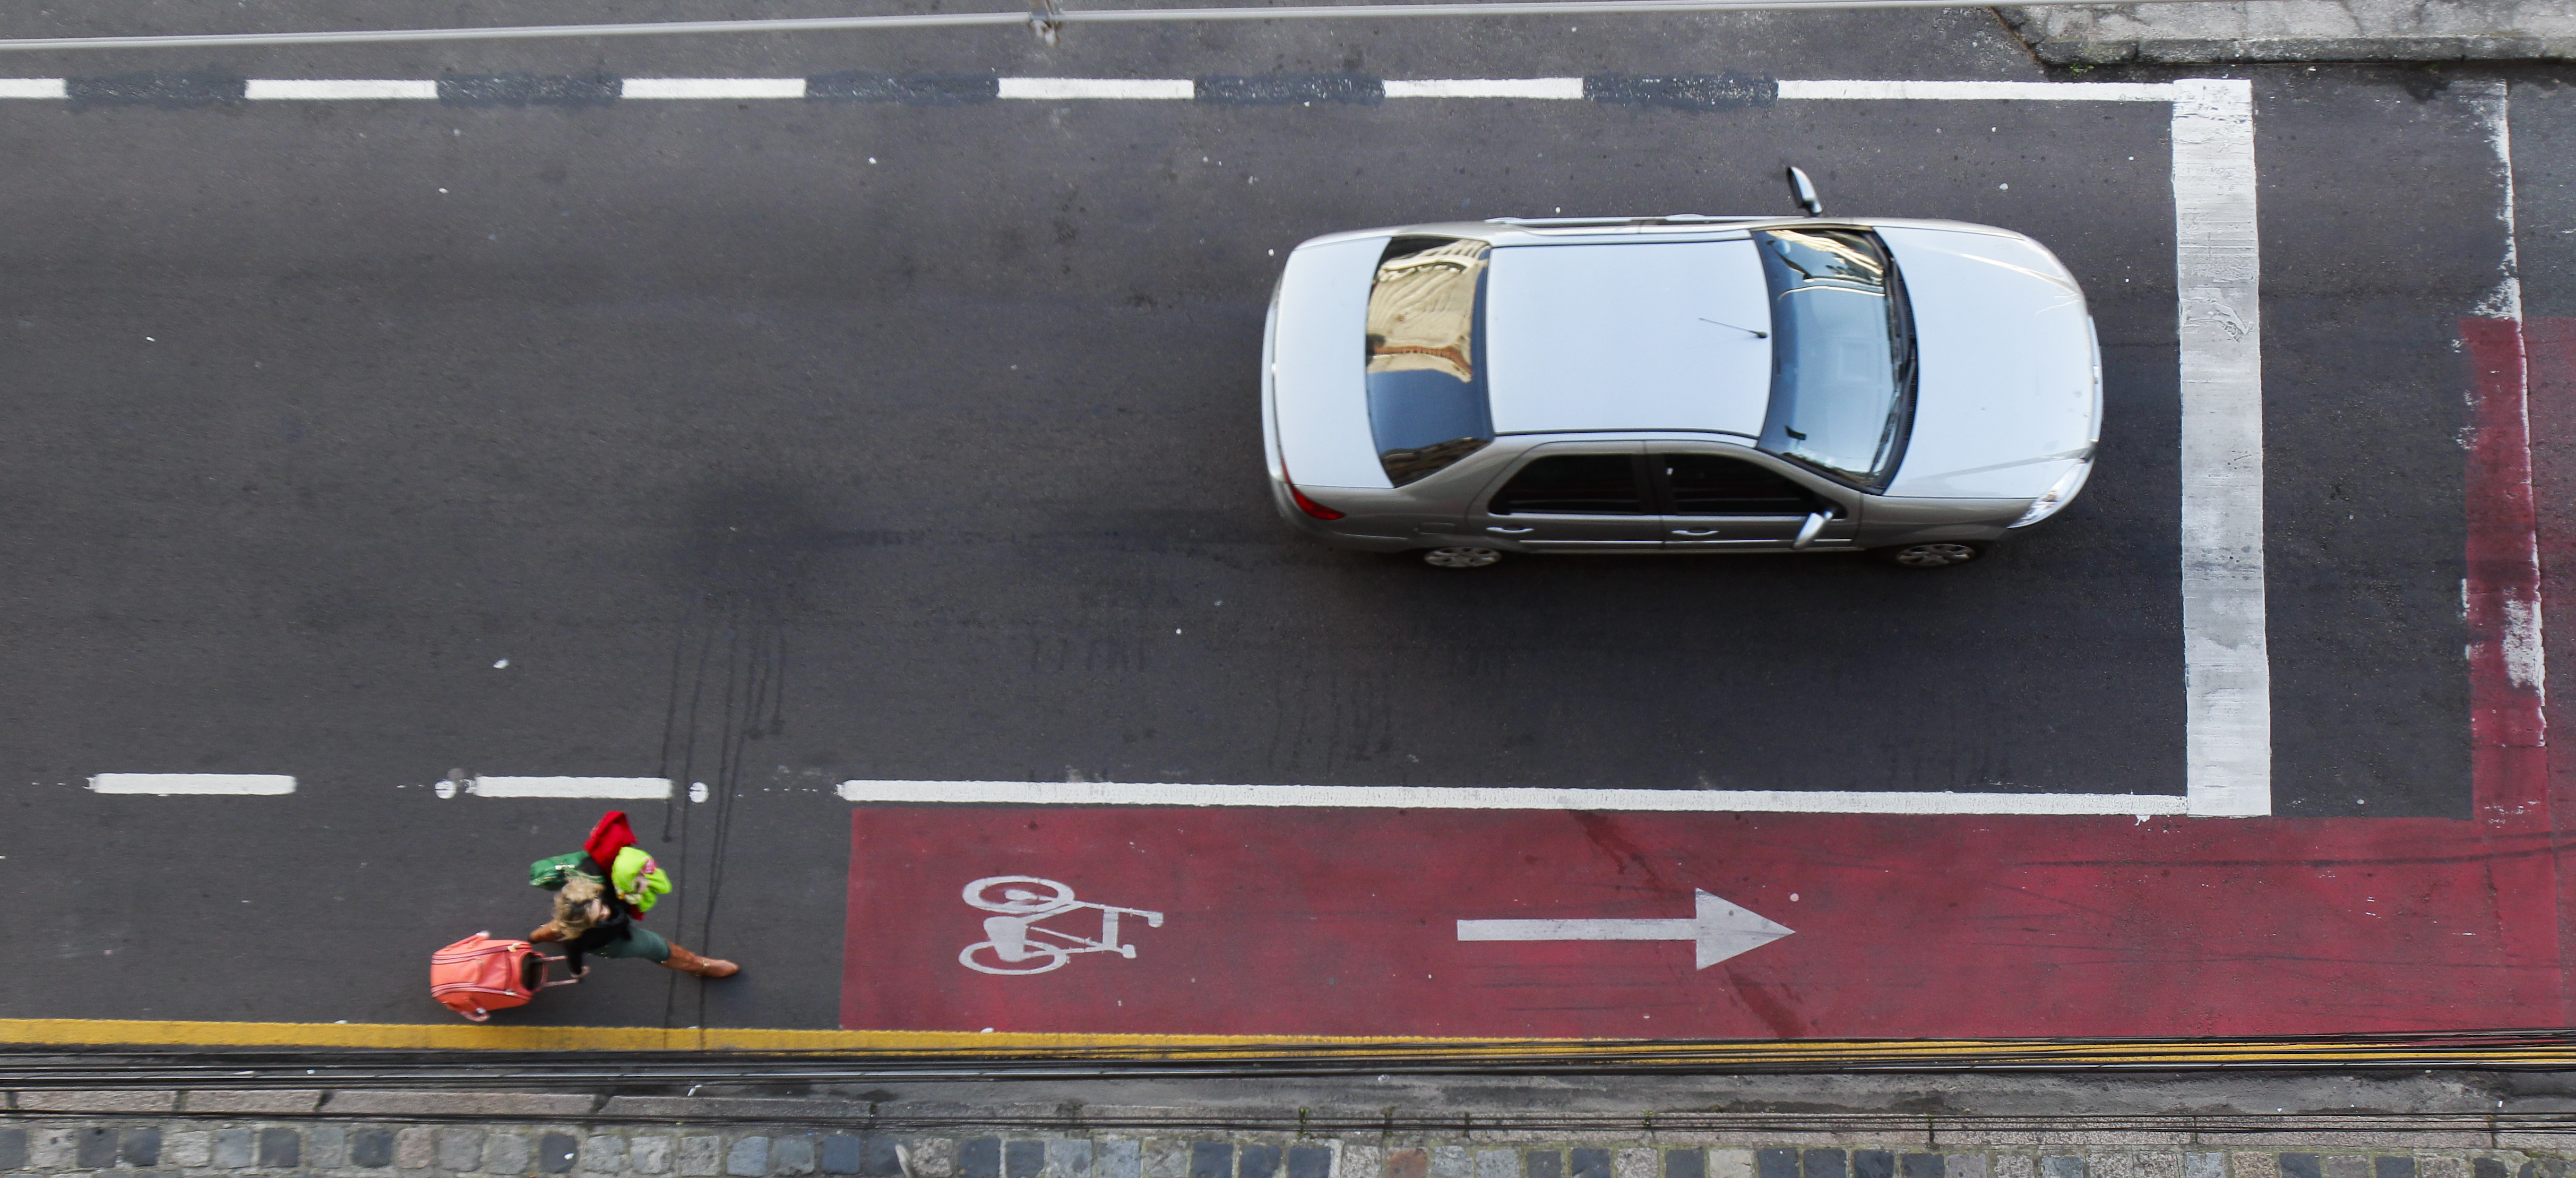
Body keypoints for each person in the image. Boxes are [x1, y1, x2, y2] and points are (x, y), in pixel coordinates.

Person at [527, 811, 737, 978]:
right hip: (611, 941)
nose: (606, 913)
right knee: (657, 948)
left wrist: (637, 878)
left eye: (600, 907)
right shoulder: (578, 938)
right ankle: (699, 965)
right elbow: (574, 954)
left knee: (558, 928)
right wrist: (577, 971)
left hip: (574, 923)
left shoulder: (593, 874)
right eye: (598, 918)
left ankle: (531, 940)